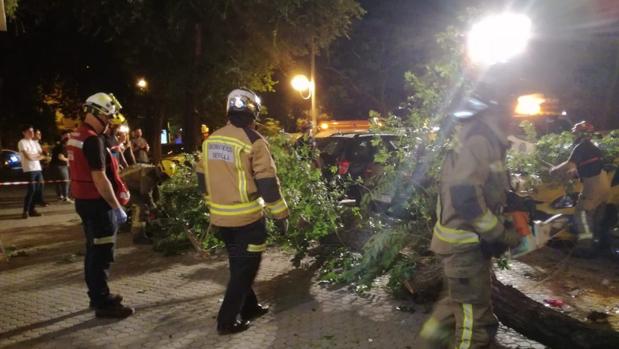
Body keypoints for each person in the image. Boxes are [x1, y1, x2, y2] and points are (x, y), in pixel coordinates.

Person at [418, 93, 521, 349]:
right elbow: (465, 196)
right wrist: (498, 233)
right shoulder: (479, 141)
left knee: (456, 303)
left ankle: (430, 340)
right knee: (474, 321)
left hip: (458, 243)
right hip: (464, 246)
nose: (513, 117)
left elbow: (482, 189)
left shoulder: (477, 140)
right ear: (493, 111)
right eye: (510, 110)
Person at [204, 88, 289, 335]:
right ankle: (226, 321)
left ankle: (249, 307)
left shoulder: (212, 140)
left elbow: (202, 176)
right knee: (245, 270)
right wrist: (281, 214)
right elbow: (267, 182)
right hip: (248, 220)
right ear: (254, 111)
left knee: (238, 265)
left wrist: (214, 200)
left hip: (221, 220)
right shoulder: (254, 141)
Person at [67, 92, 134, 318]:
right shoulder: (92, 140)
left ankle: (97, 295)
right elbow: (100, 177)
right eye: (108, 117)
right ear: (97, 113)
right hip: (97, 205)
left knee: (93, 251)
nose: (109, 121)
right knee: (102, 254)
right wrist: (116, 206)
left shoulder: (77, 134)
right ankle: (103, 303)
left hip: (84, 201)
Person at [550, 121, 610, 257]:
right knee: (595, 217)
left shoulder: (581, 147)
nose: (574, 136)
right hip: (604, 184)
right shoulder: (594, 148)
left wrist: (554, 170)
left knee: (581, 215)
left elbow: (569, 164)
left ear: (580, 134)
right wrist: (575, 174)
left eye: (576, 133)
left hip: (593, 187)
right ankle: (597, 246)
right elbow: (590, 167)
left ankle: (585, 248)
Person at [18, 125, 45, 218]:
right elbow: (28, 157)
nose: (32, 133)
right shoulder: (22, 142)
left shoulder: (34, 143)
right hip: (29, 169)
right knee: (31, 190)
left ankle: (32, 210)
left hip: (38, 168)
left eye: (33, 131)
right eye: (29, 131)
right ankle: (25, 211)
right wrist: (35, 156)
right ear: (24, 132)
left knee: (38, 190)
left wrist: (34, 156)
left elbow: (42, 156)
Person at [50, 131, 72, 203]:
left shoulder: (59, 145)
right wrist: (68, 160)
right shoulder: (63, 146)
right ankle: (65, 197)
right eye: (68, 137)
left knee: (58, 182)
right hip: (60, 166)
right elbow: (60, 157)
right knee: (65, 181)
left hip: (54, 166)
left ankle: (60, 196)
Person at [33, 128, 50, 207]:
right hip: (33, 166)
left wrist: (45, 155)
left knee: (41, 183)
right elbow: (36, 155)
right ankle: (36, 201)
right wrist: (43, 157)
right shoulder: (32, 143)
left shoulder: (38, 143)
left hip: (39, 165)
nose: (40, 135)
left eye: (40, 133)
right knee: (37, 184)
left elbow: (40, 153)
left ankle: (39, 199)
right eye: (38, 133)